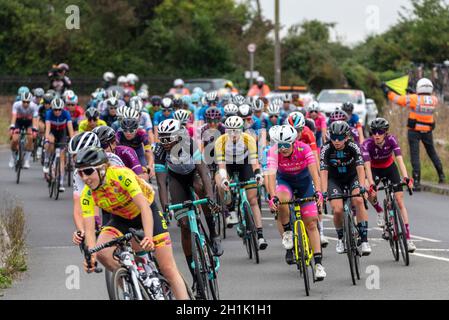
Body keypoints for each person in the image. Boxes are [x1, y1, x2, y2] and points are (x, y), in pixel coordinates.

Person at [76, 147, 189, 300]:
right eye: (80, 173)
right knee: (102, 253)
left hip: (147, 213)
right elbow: (89, 231)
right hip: (121, 219)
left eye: (88, 171)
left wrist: (148, 237)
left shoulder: (122, 175)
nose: (84, 178)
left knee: (168, 268)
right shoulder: (87, 194)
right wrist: (91, 257)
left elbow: (144, 208)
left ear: (102, 169)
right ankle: (133, 284)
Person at [266, 125, 326, 279]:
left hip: (305, 183)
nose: (283, 149)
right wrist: (273, 196)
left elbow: (314, 173)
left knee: (311, 224)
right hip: (285, 182)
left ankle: (318, 264)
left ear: (293, 142)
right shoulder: (274, 152)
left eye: (286, 145)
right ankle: (287, 231)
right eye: (280, 145)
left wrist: (318, 192)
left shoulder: (304, 149)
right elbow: (271, 175)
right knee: (282, 200)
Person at [361, 118, 416, 252]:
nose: (377, 135)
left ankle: (408, 239)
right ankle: (380, 210)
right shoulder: (366, 144)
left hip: (390, 168)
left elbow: (400, 161)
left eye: (380, 132)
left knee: (399, 200)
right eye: (374, 132)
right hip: (374, 169)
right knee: (368, 190)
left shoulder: (392, 140)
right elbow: (367, 167)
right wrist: (372, 185)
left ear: (386, 132)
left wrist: (406, 178)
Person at [214, 116, 268, 249]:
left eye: (236, 131)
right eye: (230, 131)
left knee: (253, 199)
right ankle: (230, 209)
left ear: (241, 130)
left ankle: (260, 235)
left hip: (245, 164)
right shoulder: (220, 141)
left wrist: (257, 174)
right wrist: (225, 179)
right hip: (228, 165)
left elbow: (254, 162)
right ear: (226, 131)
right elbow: (221, 166)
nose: (233, 134)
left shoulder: (247, 138)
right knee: (220, 182)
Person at [382, 78, 445, 190]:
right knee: (432, 153)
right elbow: (422, 100)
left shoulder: (414, 98)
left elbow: (399, 100)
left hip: (414, 131)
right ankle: (441, 176)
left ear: (419, 87)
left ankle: (416, 182)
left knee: (415, 156)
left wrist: (387, 91)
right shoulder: (434, 99)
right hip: (428, 131)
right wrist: (413, 94)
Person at [320, 121, 371, 255]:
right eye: (334, 137)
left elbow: (360, 168)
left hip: (352, 177)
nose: (336, 141)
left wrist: (361, 187)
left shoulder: (353, 146)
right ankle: (341, 238)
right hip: (335, 180)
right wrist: (323, 192)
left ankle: (364, 240)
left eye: (340, 138)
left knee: (359, 201)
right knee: (337, 210)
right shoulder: (326, 148)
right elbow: (324, 172)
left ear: (347, 137)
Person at [43, 98, 74, 191]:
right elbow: (47, 129)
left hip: (62, 134)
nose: (57, 111)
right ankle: (47, 160)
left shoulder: (66, 113)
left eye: (59, 109)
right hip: (52, 132)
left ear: (62, 109)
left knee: (62, 157)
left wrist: (72, 141)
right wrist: (46, 140)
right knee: (50, 141)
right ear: (52, 109)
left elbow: (70, 130)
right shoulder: (49, 113)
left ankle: (60, 183)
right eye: (55, 109)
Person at [9, 92, 39, 169]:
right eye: (24, 102)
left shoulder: (34, 106)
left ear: (30, 101)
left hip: (29, 122)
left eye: (27, 102)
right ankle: (13, 158)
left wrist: (35, 129)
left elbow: (35, 119)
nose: (25, 104)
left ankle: (27, 160)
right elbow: (14, 116)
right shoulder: (16, 104)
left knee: (30, 137)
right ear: (21, 100)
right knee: (15, 139)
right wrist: (12, 126)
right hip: (18, 121)